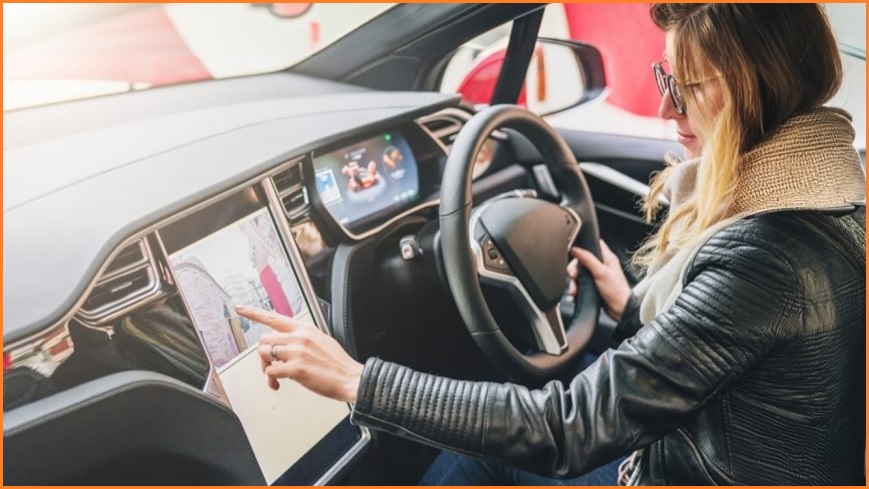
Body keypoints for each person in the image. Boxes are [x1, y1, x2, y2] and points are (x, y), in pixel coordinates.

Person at [236, 4, 866, 485]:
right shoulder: (834, 198)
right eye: (662, 78)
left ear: (754, 90)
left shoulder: (767, 258)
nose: (667, 110)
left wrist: (357, 381)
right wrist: (627, 307)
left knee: (473, 459)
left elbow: (568, 429)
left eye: (688, 87)